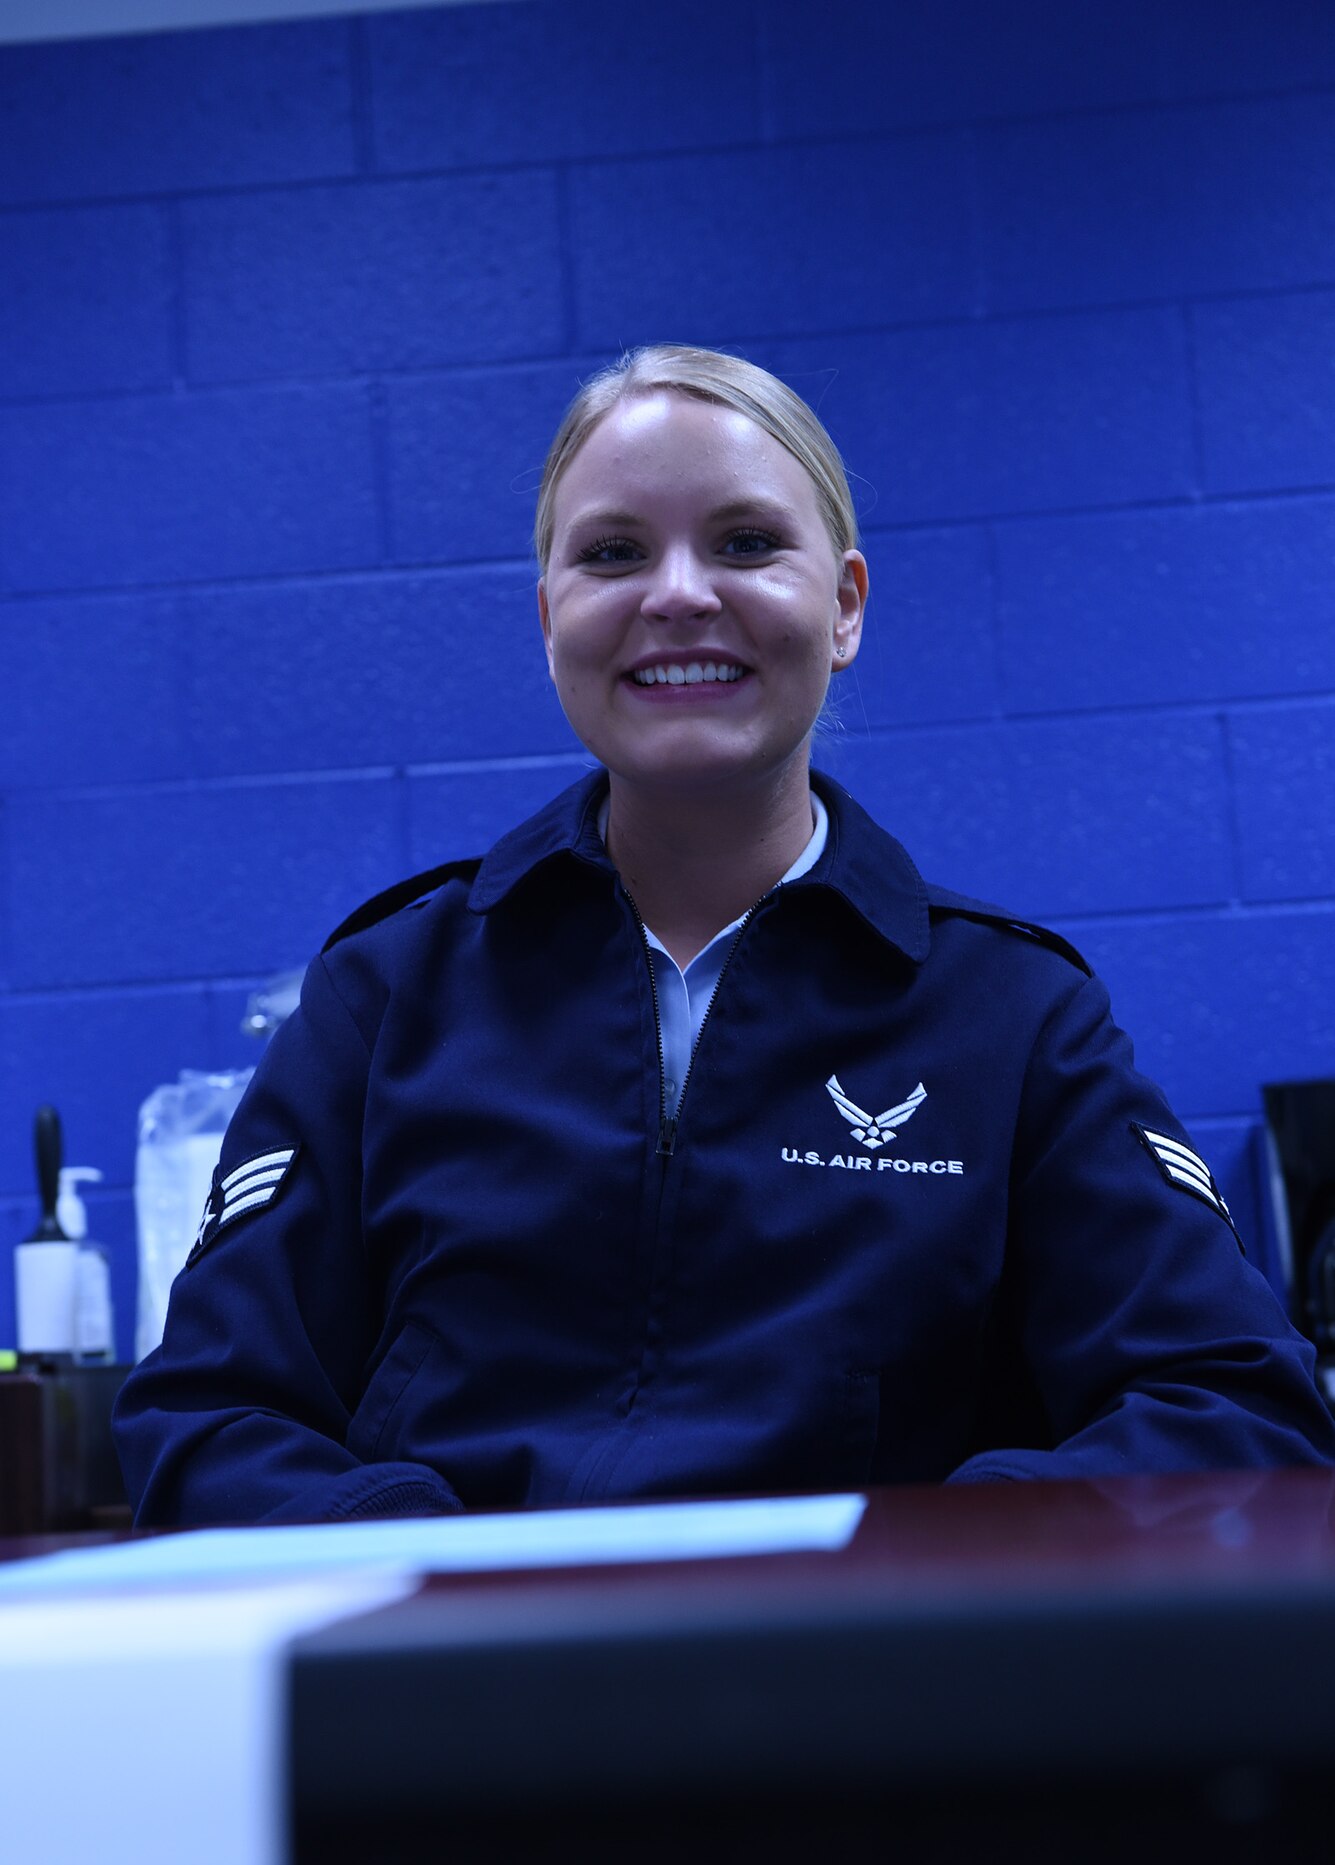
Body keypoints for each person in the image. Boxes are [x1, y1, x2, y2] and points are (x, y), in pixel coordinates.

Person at [114, 344, 1335, 1525]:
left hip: (872, 1707)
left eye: (747, 543)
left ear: (844, 607)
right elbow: (210, 1414)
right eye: (613, 553)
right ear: (551, 619)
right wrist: (430, 1575)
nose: (681, 594)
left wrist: (914, 1569)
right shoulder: (384, 996)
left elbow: (1232, 1405)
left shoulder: (1011, 1017)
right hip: (467, 1704)